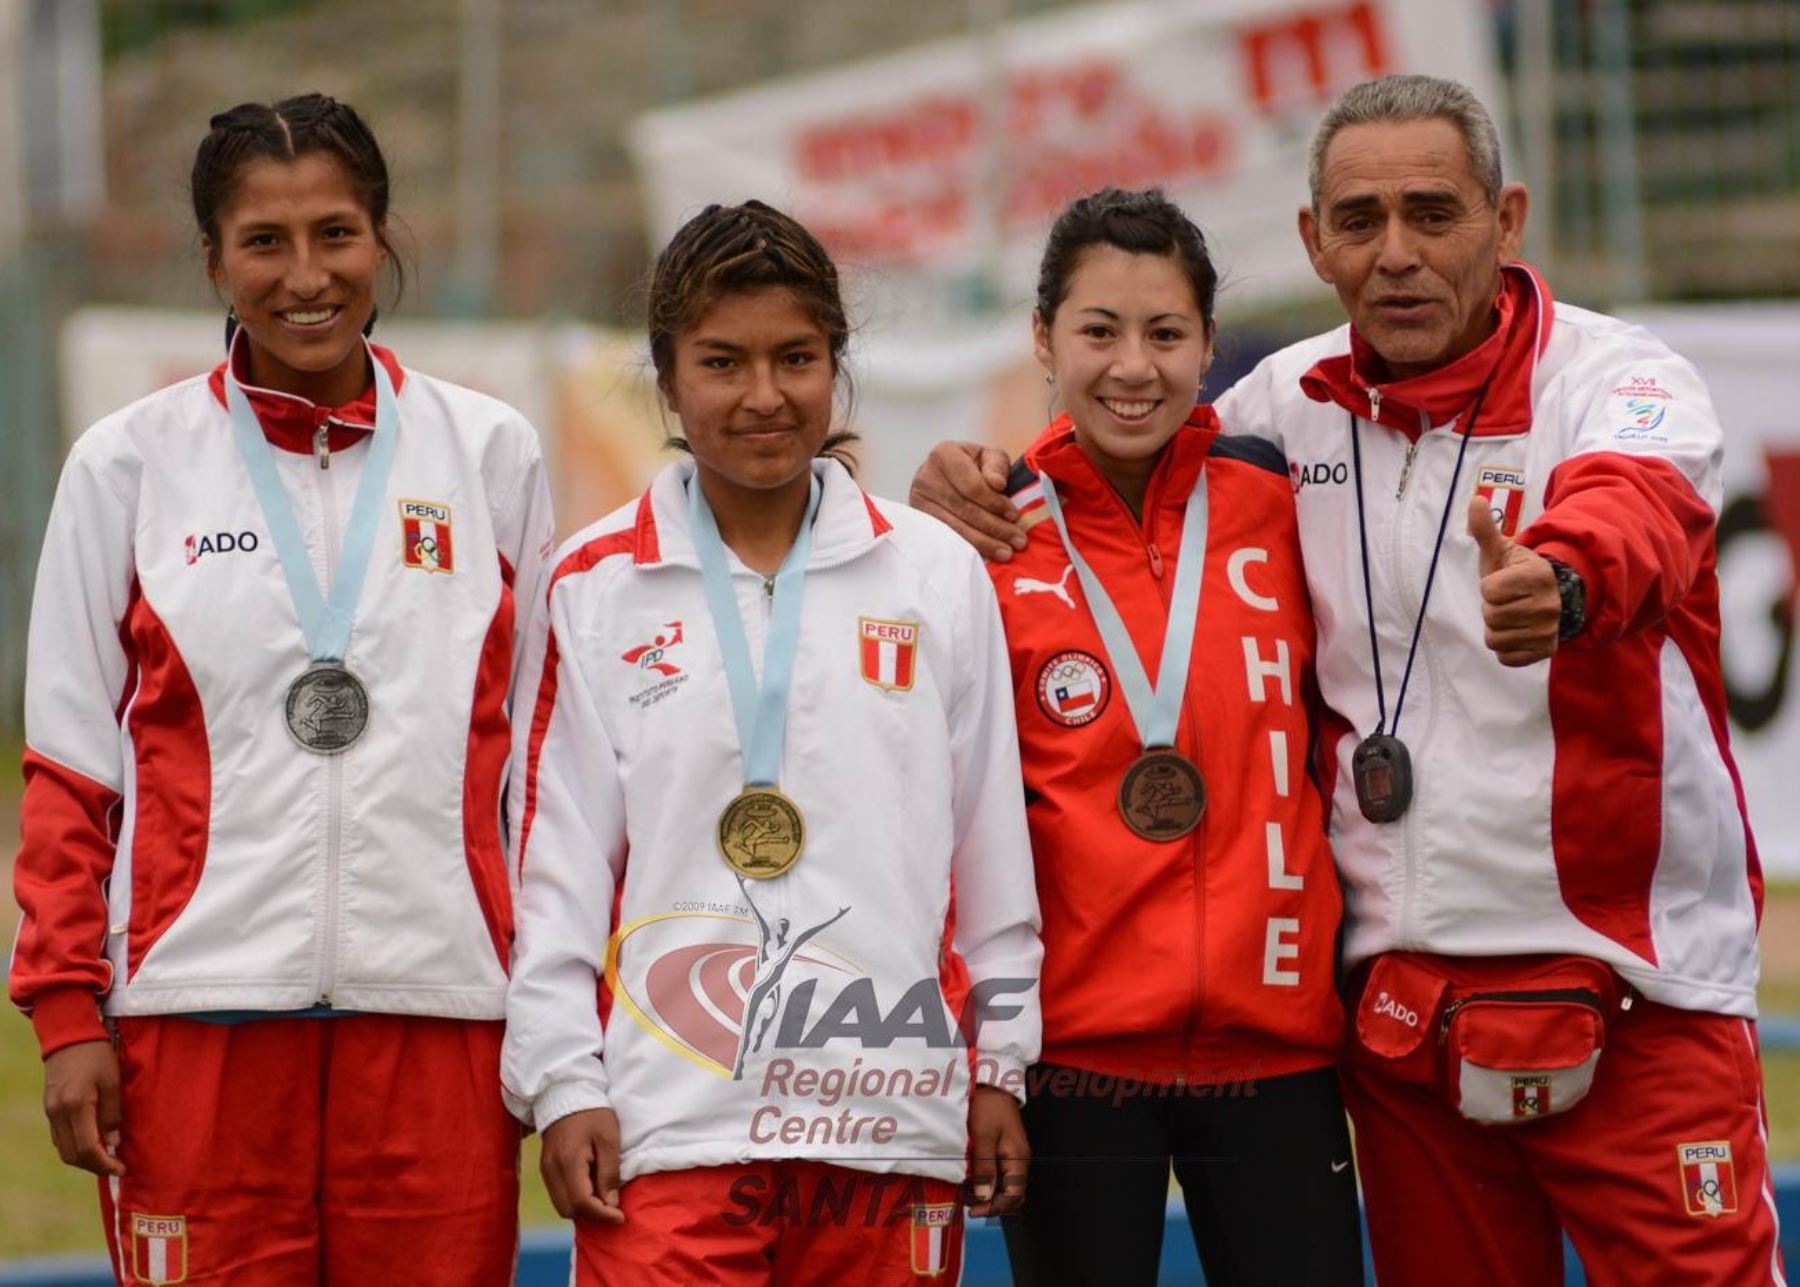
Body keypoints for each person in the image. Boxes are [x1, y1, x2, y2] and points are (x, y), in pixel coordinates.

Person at [912, 75, 1779, 1286]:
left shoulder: (1621, 378)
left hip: (1635, 995)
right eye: (1361, 221)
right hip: (1398, 1021)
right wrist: (965, 483)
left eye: (1435, 214)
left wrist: (1564, 581)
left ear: (1507, 220)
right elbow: (1123, 448)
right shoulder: (1279, 410)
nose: (1399, 254)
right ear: (1314, 240)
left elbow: (1638, 505)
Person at [9, 94, 554, 1284]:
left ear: (382, 237)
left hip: (443, 1011)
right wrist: (66, 1015)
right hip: (193, 1016)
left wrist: (553, 1019)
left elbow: (538, 766)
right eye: (264, 241)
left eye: (336, 234)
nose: (305, 276)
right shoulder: (127, 465)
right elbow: (69, 764)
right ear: (212, 258)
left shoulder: (490, 454)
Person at [500, 200, 1043, 1286]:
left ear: (837, 367)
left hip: (884, 1120)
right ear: (665, 378)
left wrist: (1002, 1063)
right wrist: (565, 1082)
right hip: (670, 1135)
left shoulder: (933, 574)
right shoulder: (596, 586)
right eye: (722, 361)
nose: (762, 396)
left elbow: (990, 846)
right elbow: (553, 864)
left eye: (796, 357)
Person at [984, 187, 1360, 1286]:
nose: (1132, 368)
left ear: (1208, 343)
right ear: (1044, 338)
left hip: (1277, 1049)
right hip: (1073, 1066)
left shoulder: (1284, 501)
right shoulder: (987, 538)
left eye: (1165, 333)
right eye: (1099, 331)